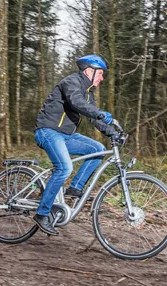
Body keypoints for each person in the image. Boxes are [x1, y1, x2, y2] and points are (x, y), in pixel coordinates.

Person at [33, 54, 117, 235]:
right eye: (100, 73)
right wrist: (100, 113)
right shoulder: (70, 82)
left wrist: (111, 131)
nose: (102, 78)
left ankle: (75, 188)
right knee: (64, 168)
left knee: (98, 150)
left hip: (65, 135)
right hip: (47, 131)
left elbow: (93, 116)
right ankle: (42, 214)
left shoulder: (88, 92)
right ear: (89, 71)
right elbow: (76, 102)